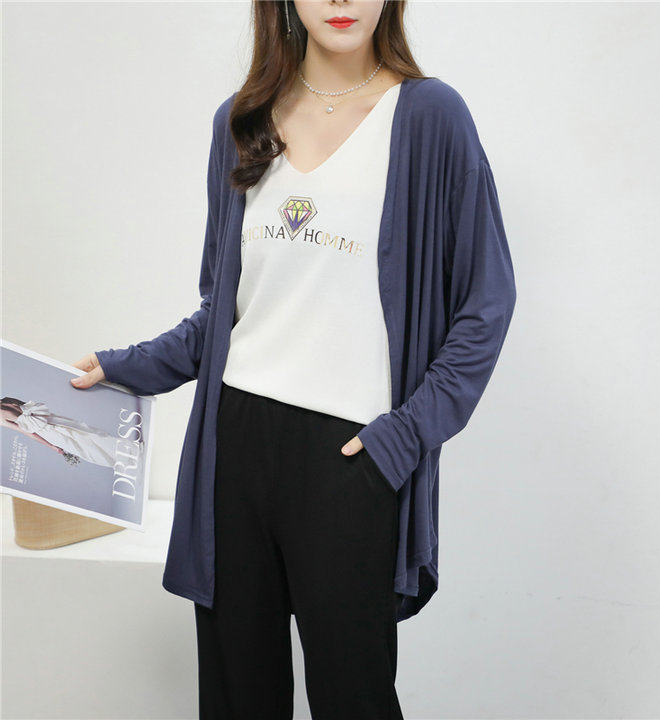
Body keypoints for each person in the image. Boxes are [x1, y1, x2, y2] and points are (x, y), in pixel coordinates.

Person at [71, 1, 517, 717]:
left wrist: (404, 437)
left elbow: (486, 302)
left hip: (352, 455)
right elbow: (226, 311)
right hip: (234, 446)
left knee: (354, 696)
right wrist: (127, 365)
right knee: (239, 695)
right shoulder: (241, 122)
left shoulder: (430, 117)